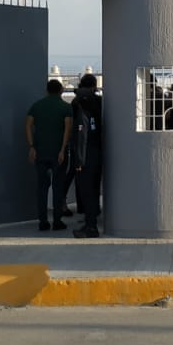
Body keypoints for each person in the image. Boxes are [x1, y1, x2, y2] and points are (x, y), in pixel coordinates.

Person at [25, 79, 73, 230]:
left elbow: (27, 125)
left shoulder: (36, 106)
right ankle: (57, 221)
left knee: (42, 187)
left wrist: (32, 146)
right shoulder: (66, 107)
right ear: (61, 91)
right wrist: (62, 149)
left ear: (46, 91)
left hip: (40, 152)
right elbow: (68, 129)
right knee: (58, 187)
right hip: (58, 154)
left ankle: (43, 221)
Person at [69, 73, 104, 238]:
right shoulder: (97, 106)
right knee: (94, 191)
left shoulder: (82, 111)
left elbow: (81, 137)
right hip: (96, 153)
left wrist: (79, 161)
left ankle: (91, 227)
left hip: (86, 157)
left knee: (87, 192)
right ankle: (92, 222)